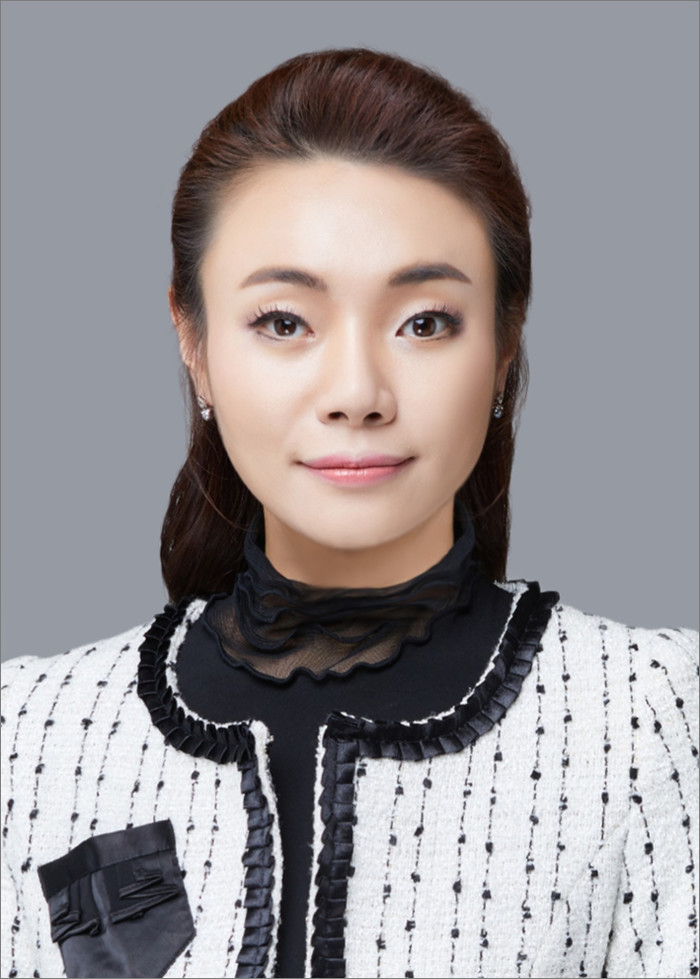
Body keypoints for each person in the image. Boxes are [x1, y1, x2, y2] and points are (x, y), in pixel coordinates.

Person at [1, 48, 697, 979]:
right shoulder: (33, 732)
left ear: (504, 345)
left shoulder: (645, 712)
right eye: (284, 321)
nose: (358, 393)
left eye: (425, 322)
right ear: (194, 343)